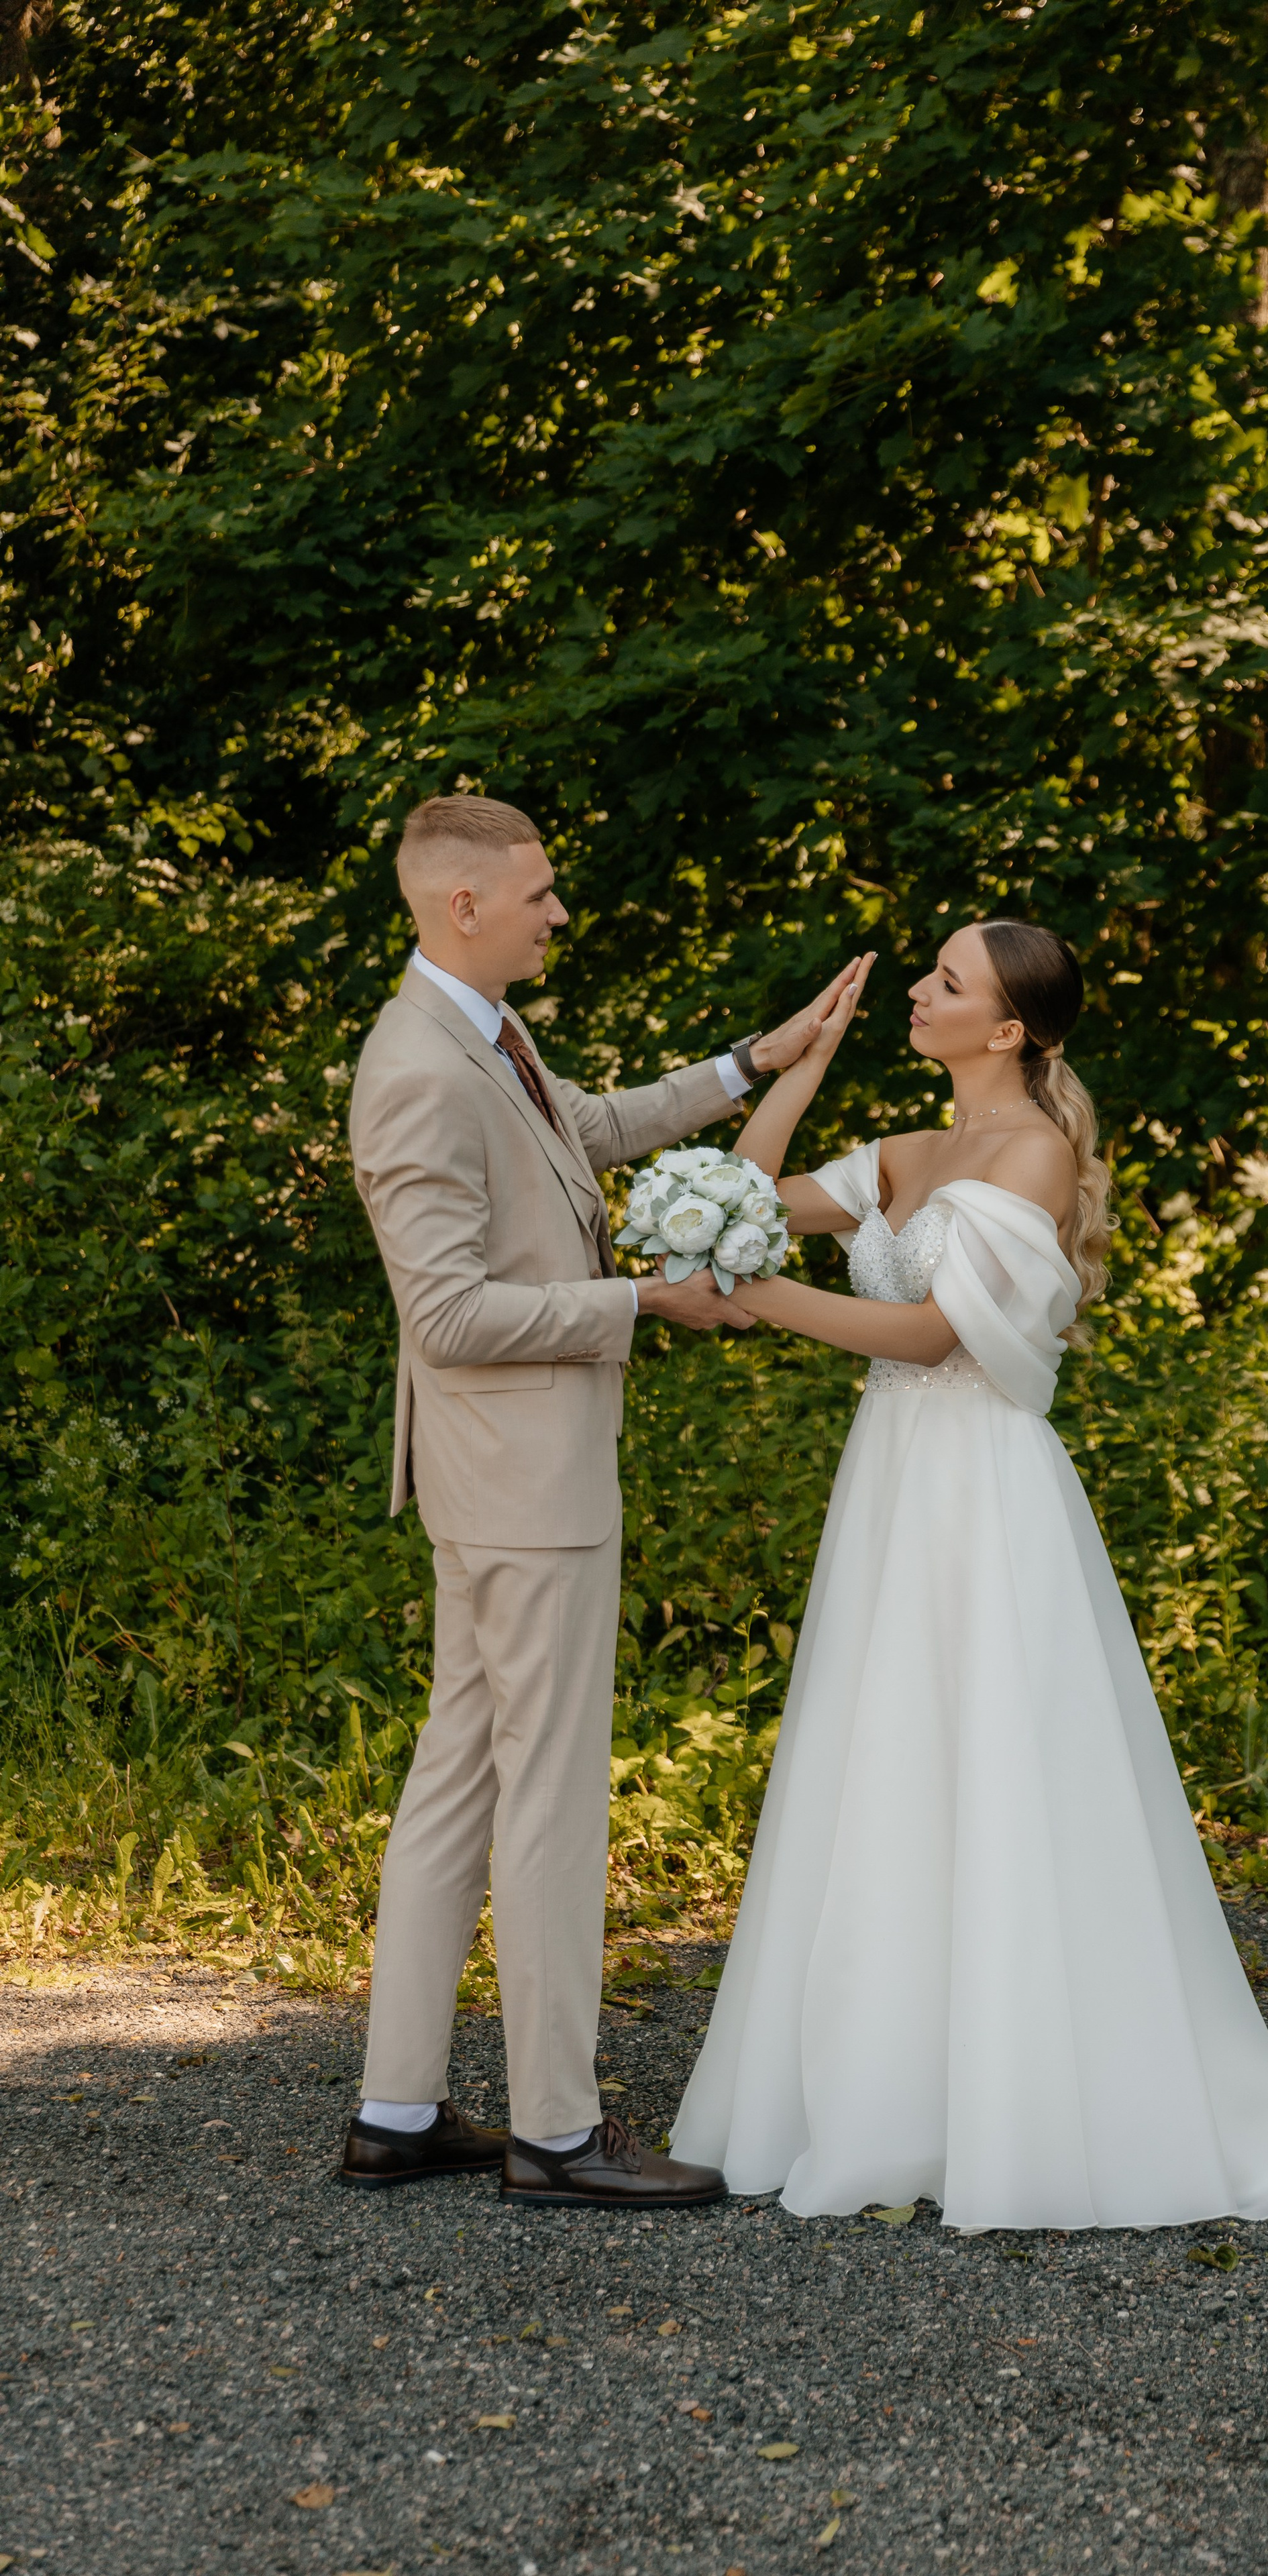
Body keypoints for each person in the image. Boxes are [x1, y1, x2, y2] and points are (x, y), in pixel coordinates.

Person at [670, 918, 1268, 2229]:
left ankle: (1026, 2098)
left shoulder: (1033, 1152)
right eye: (928, 974)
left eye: (947, 983)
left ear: (1006, 1029)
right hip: (888, 1489)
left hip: (981, 1493)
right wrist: (798, 1076)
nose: (918, 993)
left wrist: (755, 1300)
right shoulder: (899, 1153)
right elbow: (744, 1213)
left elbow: (932, 1336)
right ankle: (890, 2090)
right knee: (883, 1760)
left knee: (996, 1766)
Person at [337, 790, 867, 2210]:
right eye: (538, 894)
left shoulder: (482, 1034)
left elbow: (584, 1128)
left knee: (460, 1776)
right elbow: (446, 1314)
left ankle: (397, 2111)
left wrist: (753, 1059)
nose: (558, 912)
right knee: (551, 1796)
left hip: (507, 1477)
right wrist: (648, 1299)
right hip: (521, 1484)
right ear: (463, 906)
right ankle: (558, 2135)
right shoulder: (417, 1070)